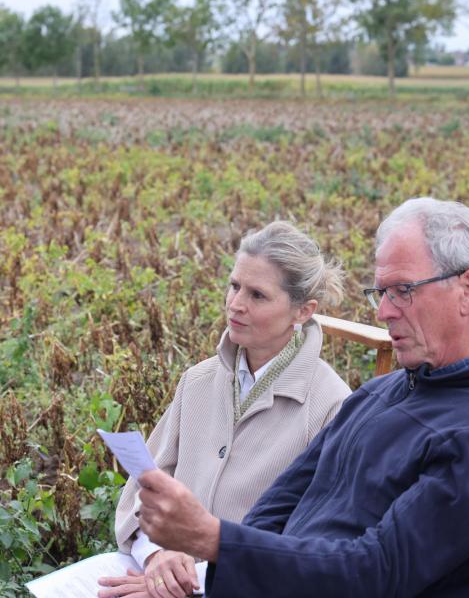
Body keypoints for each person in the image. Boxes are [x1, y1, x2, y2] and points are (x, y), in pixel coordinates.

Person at [135, 197, 469, 597]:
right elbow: (276, 507)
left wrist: (215, 540)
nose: (383, 312)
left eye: (403, 290)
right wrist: (205, 578)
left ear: (468, 290)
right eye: (381, 292)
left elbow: (375, 574)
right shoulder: (381, 393)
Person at [97, 221, 351, 598]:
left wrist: (194, 579)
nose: (236, 304)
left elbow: (313, 547)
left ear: (303, 311)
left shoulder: (334, 407)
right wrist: (156, 557)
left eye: (258, 295)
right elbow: (142, 487)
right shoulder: (198, 380)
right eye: (234, 286)